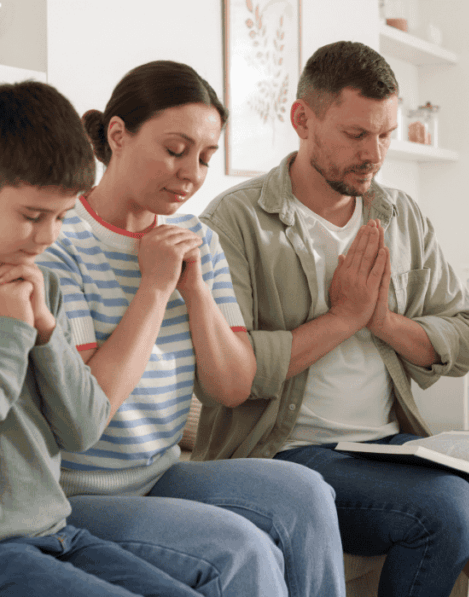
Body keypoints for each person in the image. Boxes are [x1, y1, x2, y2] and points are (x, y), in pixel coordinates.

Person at [195, 41, 469, 597]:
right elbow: (230, 374)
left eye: (386, 133)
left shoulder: (400, 214)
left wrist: (383, 322)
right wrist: (344, 317)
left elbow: (461, 336)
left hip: (387, 445)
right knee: (445, 510)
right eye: (357, 134)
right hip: (282, 452)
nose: (376, 153)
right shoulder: (236, 221)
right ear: (303, 120)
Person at [37, 61, 347, 597]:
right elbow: (89, 408)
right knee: (239, 547)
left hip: (161, 473)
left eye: (205, 158)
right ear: (117, 135)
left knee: (307, 493)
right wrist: (154, 290)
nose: (192, 173)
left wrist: (195, 289)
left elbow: (231, 386)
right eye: (175, 150)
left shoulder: (196, 238)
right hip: (76, 493)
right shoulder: (61, 245)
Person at [0, 80, 206, 597]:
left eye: (63, 217)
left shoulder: (38, 286)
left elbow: (84, 427)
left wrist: (46, 334)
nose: (49, 237)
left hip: (52, 529)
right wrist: (13, 330)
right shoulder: (15, 307)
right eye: (32, 216)